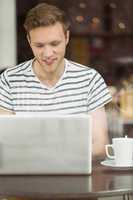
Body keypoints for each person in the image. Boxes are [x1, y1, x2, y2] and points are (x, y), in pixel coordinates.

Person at [0, 3, 112, 159]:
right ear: (28, 41)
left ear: (66, 37)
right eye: (39, 45)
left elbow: (100, 144)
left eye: (54, 44)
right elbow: (4, 142)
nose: (47, 53)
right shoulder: (9, 80)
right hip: (25, 178)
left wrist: (50, 157)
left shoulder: (90, 80)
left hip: (76, 178)